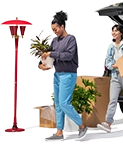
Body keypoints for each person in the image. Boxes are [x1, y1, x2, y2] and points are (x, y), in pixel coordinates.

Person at [39, 10, 88, 141]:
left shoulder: (71, 39)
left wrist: (51, 54)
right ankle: (59, 132)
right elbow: (46, 54)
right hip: (57, 75)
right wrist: (41, 63)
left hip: (68, 75)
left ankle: (82, 126)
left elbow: (68, 56)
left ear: (62, 26)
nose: (54, 32)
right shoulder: (55, 41)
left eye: (56, 29)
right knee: (59, 104)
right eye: (53, 30)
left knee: (65, 103)